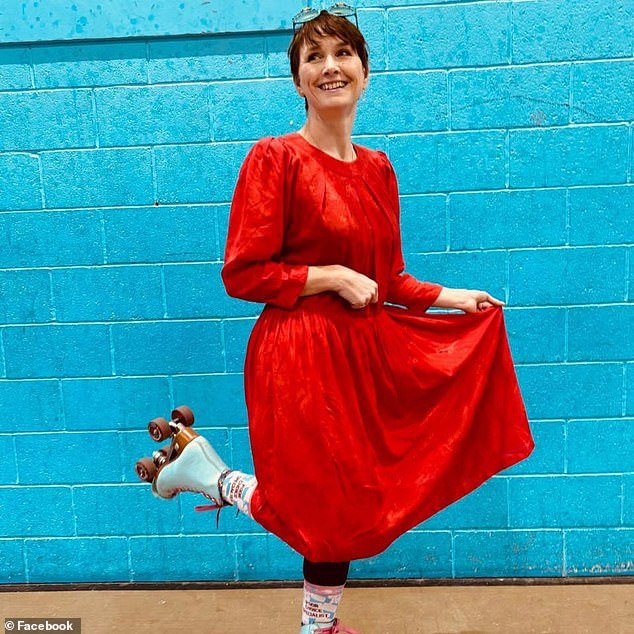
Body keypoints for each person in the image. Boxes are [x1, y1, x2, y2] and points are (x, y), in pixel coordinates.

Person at [148, 8, 535, 634]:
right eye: (314, 57)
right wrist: (328, 276)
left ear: (365, 72)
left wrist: (455, 297)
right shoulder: (274, 158)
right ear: (298, 81)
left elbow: (391, 278)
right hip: (298, 356)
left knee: (354, 503)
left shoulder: (379, 168)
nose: (330, 67)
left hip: (364, 353)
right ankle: (222, 486)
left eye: (343, 54)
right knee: (325, 509)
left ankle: (313, 615)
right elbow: (242, 273)